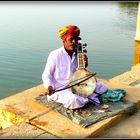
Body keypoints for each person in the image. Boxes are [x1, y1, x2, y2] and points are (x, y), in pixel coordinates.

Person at [41, 25, 108, 109]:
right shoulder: (55, 55)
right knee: (73, 100)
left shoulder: (78, 53)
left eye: (76, 39)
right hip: (62, 89)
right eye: (71, 39)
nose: (74, 42)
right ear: (64, 40)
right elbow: (46, 74)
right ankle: (88, 99)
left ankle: (86, 98)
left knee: (102, 87)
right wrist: (49, 86)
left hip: (77, 85)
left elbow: (81, 74)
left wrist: (85, 67)